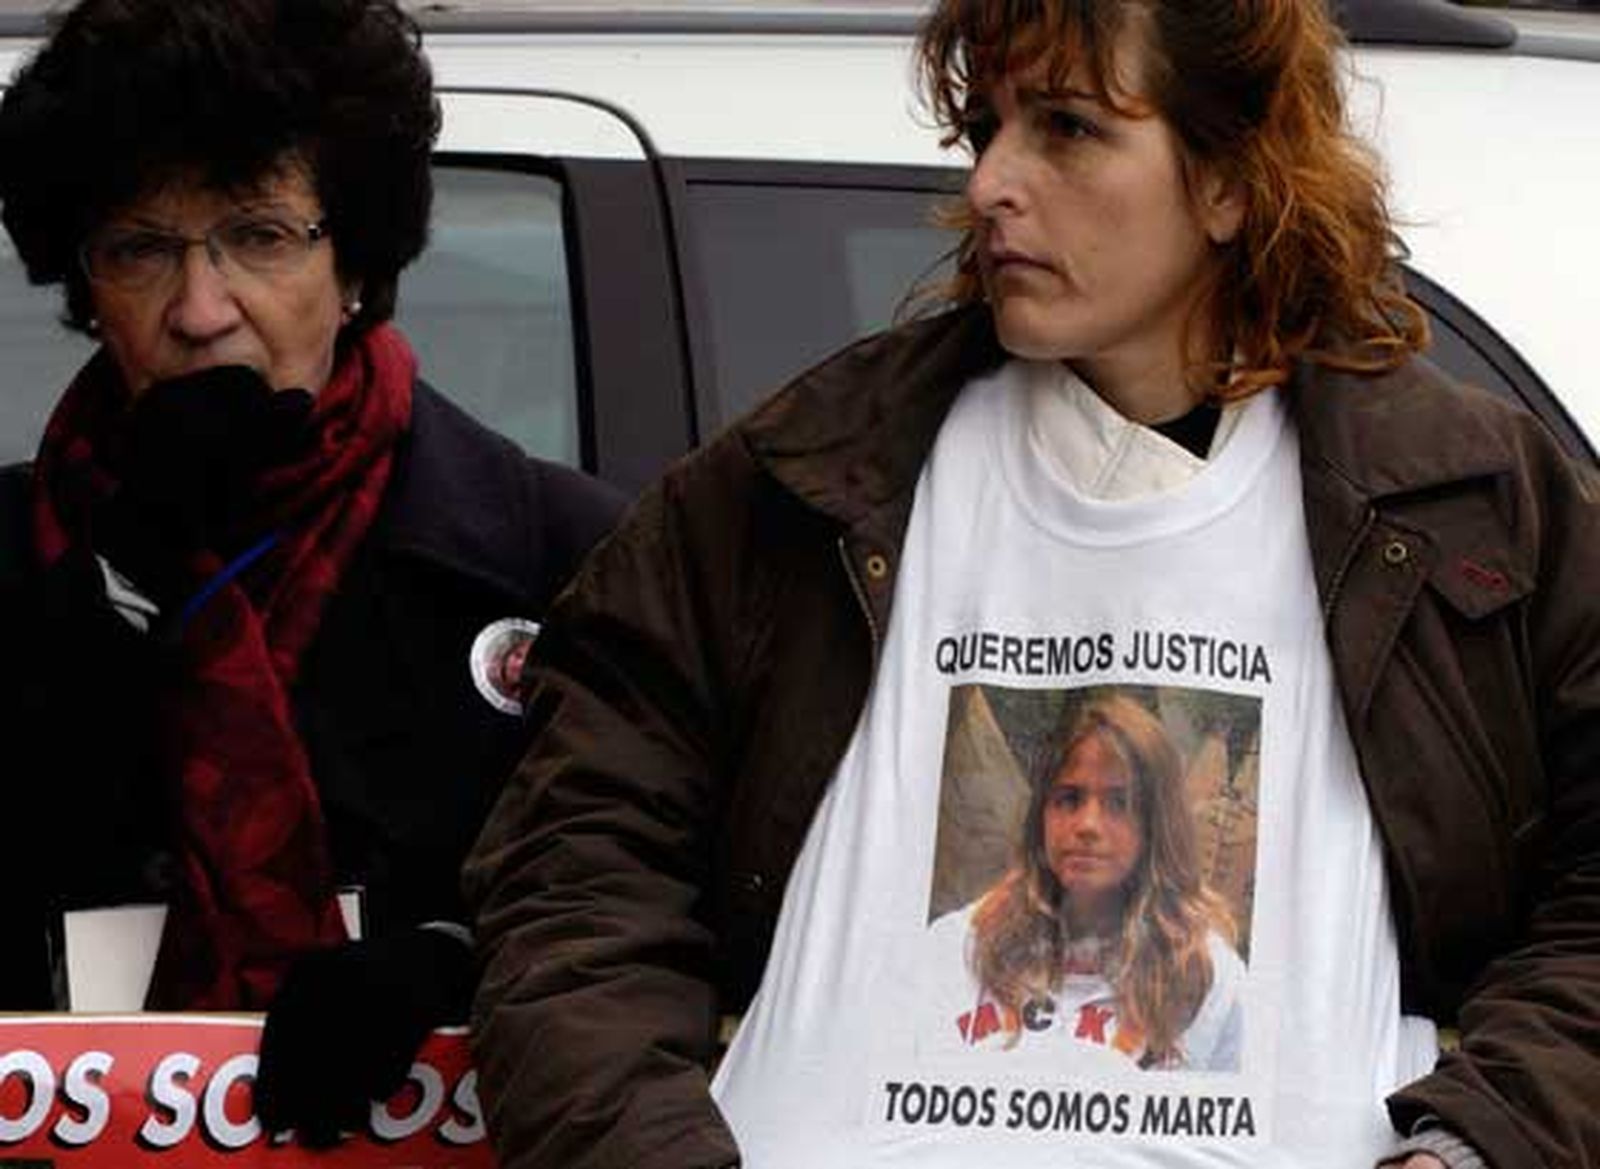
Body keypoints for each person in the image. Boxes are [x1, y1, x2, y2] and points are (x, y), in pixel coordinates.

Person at [464, 1, 1600, 1168]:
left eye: (1066, 127)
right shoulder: (800, 480)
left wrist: (1474, 1146)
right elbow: (572, 877)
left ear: (1229, 180)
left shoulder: (1471, 507)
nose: (991, 183)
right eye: (986, 127)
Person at [0, 0, 623, 1144]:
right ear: (87, 287)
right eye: (141, 248)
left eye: (260, 236)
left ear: (356, 266)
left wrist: (458, 958)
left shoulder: (559, 556)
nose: (201, 309)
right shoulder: (21, 561)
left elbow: (674, 904)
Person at [926, 693, 1243, 1070]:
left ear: (1158, 826)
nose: (1088, 825)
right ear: (1041, 816)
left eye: (1119, 803)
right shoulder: (956, 949)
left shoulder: (1211, 978)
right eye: (1069, 799)